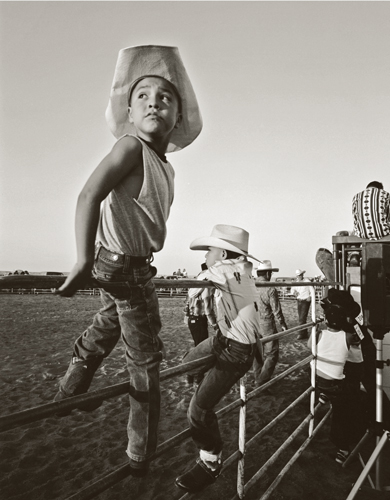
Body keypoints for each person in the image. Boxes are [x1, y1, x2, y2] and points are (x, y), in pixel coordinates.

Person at [53, 45, 202, 477]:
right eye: (143, 96)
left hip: (128, 266)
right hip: (122, 264)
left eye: (165, 98)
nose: (155, 101)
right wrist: (81, 260)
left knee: (109, 322)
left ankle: (70, 389)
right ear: (131, 115)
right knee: (146, 358)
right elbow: (88, 194)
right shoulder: (130, 147)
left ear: (177, 118)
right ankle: (140, 452)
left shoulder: (165, 167)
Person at [175, 225, 262, 493]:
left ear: (223, 253)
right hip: (225, 340)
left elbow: (192, 291)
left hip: (235, 350)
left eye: (210, 251)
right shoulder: (244, 270)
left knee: (198, 410)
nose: (206, 256)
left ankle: (211, 462)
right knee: (189, 361)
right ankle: (199, 373)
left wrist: (209, 275)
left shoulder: (221, 271)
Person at [309, 288, 362, 464]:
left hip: (351, 366)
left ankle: (343, 446)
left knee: (344, 408)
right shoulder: (352, 320)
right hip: (349, 366)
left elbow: (358, 342)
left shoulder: (348, 323)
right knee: (345, 404)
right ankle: (344, 443)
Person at [253, 260, 288, 387]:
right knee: (272, 353)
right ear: (268, 273)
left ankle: (258, 377)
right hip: (266, 323)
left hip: (253, 322)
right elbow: (276, 310)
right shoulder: (270, 288)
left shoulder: (251, 286)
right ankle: (261, 381)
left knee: (257, 351)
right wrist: (283, 324)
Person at [183, 264, 216, 384]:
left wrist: (186, 316)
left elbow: (186, 301)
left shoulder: (196, 283)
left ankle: (191, 374)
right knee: (201, 349)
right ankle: (195, 375)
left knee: (197, 346)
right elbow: (207, 308)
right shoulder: (205, 284)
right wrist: (214, 324)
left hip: (192, 319)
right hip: (200, 319)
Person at [290, 269, 313, 340]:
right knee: (301, 317)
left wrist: (310, 297)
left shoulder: (307, 281)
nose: (299, 276)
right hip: (299, 300)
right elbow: (292, 290)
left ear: (302, 275)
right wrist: (294, 293)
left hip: (306, 300)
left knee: (302, 318)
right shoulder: (296, 282)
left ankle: (301, 334)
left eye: (300, 275)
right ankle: (304, 332)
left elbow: (312, 290)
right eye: (298, 275)